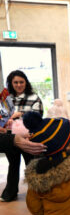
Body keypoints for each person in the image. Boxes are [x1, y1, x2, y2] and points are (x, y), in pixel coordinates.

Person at [0, 70, 43, 202]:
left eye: (21, 82)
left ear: (26, 82)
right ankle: (11, 192)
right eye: (15, 82)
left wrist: (20, 114)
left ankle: (37, 194)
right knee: (13, 164)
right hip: (10, 138)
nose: (18, 85)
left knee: (31, 165)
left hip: (28, 137)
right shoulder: (6, 99)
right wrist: (4, 122)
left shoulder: (34, 97)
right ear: (11, 83)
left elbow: (38, 116)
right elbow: (2, 117)